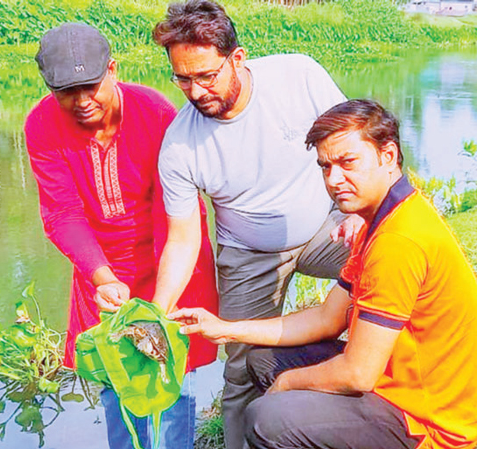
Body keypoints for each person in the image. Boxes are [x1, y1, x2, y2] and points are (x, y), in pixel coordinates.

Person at [170, 99, 477, 449]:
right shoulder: (379, 220)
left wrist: (289, 384)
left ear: (388, 155)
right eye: (325, 167)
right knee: (262, 360)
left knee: (269, 418)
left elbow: (357, 373)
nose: (334, 179)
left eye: (347, 162)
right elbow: (326, 318)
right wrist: (226, 329)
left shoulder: (398, 241)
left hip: (428, 424)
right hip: (395, 385)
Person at [149, 1, 361, 447]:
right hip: (249, 251)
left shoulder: (297, 76)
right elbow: (183, 239)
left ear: (237, 58)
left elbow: (355, 142)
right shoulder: (180, 147)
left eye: (206, 75)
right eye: (182, 79)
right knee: (242, 366)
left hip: (324, 227)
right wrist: (159, 307)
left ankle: (383, 392)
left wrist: (358, 215)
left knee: (388, 258)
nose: (196, 90)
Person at [23, 23, 218, 449]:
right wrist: (101, 275)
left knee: (172, 375)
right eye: (65, 92)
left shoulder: (155, 112)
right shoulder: (41, 125)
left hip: (169, 257)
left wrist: (161, 299)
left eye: (91, 86)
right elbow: (62, 211)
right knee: (117, 377)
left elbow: (175, 211)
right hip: (103, 271)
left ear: (112, 70)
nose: (81, 101)